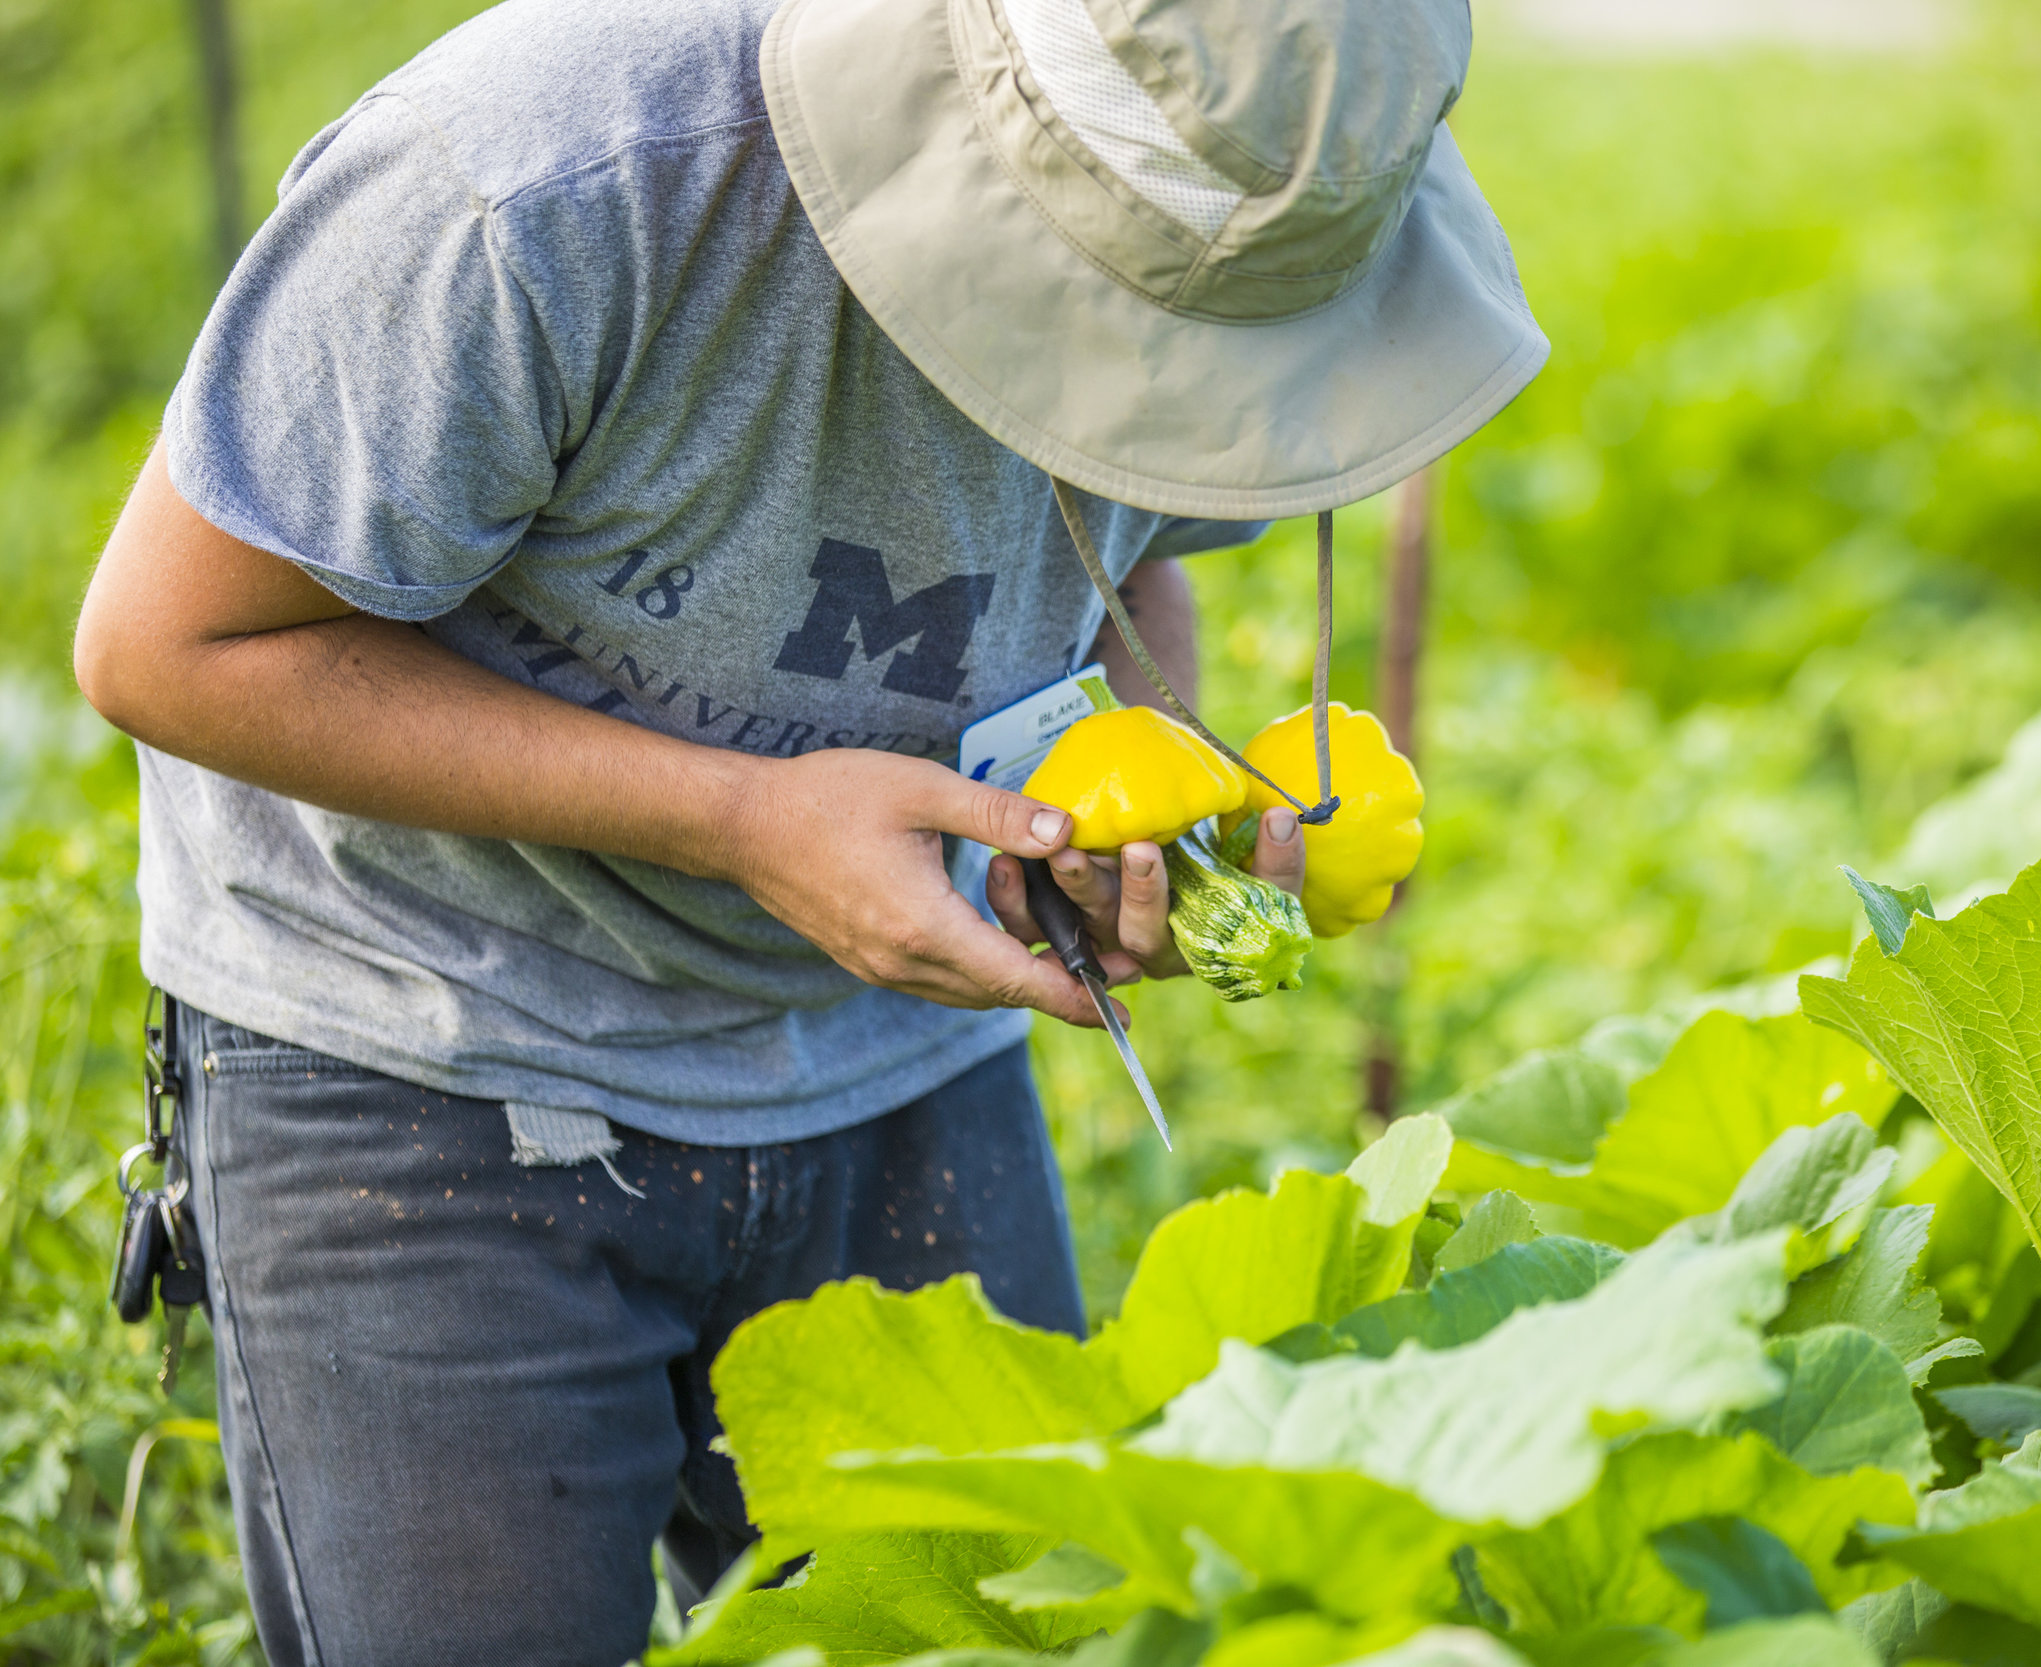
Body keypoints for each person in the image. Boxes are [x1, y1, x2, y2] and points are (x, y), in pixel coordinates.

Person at [70, 0, 1546, 1656]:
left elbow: (1124, 545)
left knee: (984, 1632)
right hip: (428, 1041)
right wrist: (742, 818)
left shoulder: (1277, 166)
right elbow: (167, 646)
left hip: (891, 1051)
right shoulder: (547, 177)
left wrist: (1121, 813)